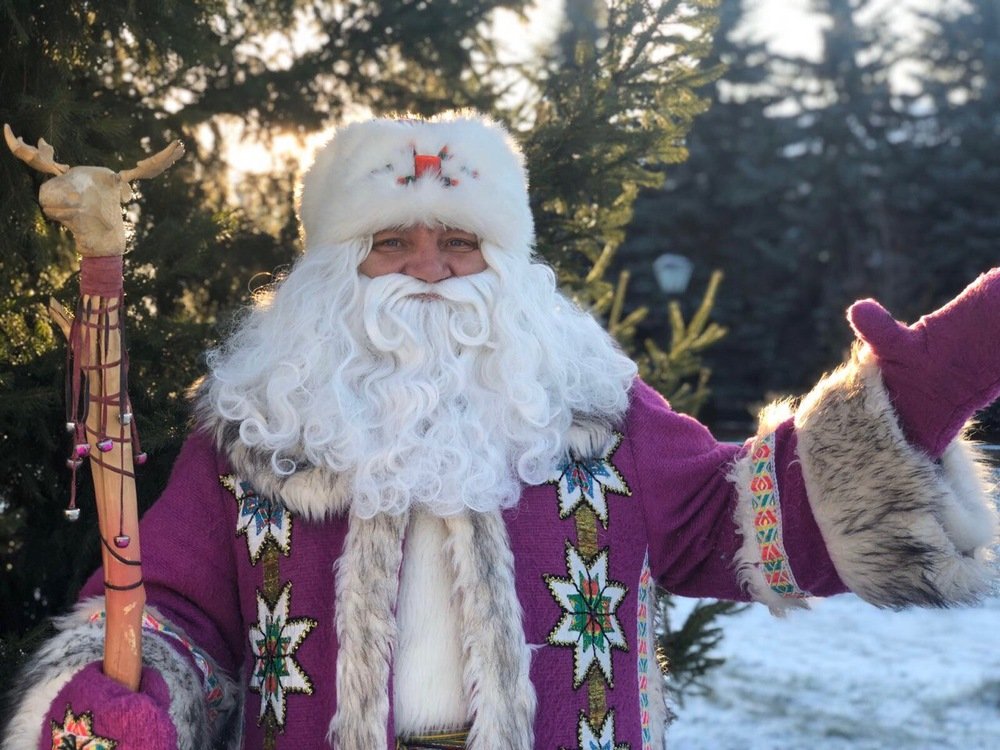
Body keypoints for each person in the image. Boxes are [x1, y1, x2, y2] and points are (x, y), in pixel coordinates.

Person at [2, 112, 998, 750]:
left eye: (460, 241)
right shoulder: (254, 432)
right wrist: (123, 689)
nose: (429, 267)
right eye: (390, 241)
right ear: (334, 265)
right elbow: (175, 607)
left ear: (507, 263)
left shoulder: (598, 413)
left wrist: (919, 395)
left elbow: (748, 522)